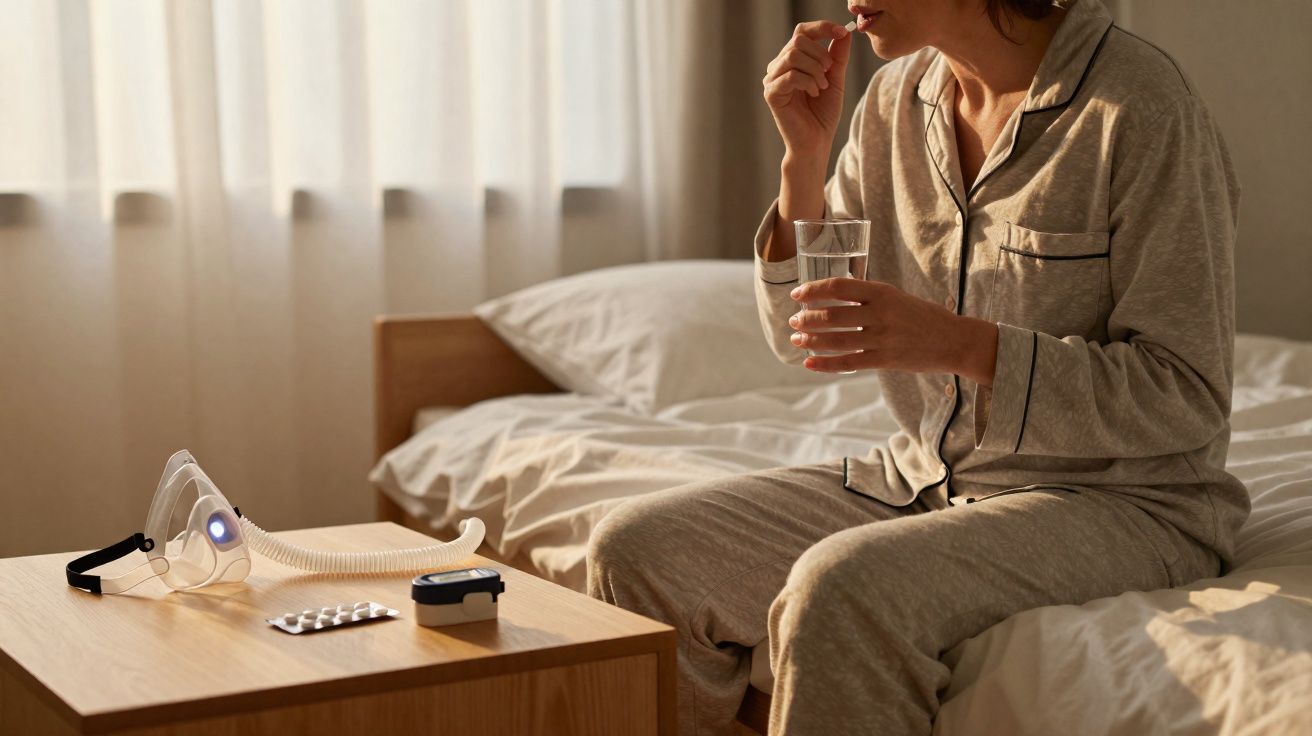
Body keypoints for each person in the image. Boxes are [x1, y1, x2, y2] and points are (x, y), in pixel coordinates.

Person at [587, 0, 1245, 733]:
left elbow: (1187, 394)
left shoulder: (1141, 105)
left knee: (840, 588)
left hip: (1124, 504)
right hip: (928, 477)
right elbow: (798, 336)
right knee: (638, 551)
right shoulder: (895, 98)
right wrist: (802, 158)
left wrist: (961, 344)